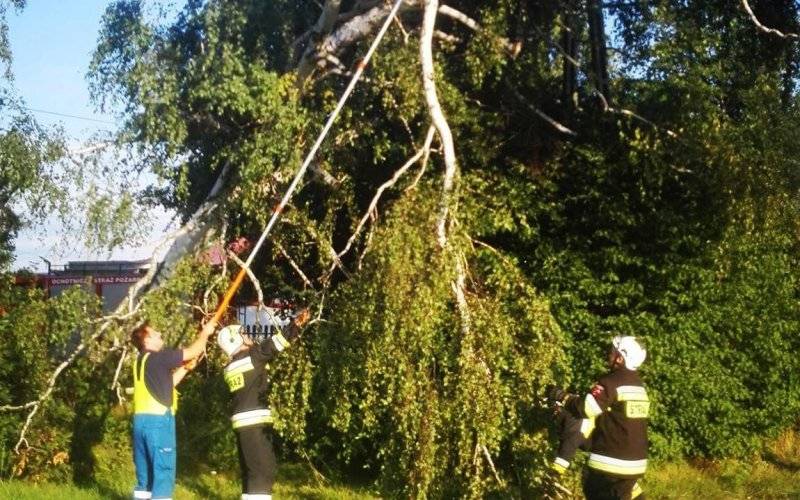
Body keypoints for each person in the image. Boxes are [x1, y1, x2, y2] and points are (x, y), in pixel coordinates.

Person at [217, 308, 311, 500]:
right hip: (254, 426)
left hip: (243, 426)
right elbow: (276, 344)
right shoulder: (252, 357)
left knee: (251, 474)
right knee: (262, 473)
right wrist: (296, 325)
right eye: (244, 333)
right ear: (236, 340)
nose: (248, 335)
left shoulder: (230, 368)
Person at [552, 336, 649, 500]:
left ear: (620, 358)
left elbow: (586, 408)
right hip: (635, 465)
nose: (608, 354)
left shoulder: (611, 382)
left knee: (594, 489)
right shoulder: (639, 385)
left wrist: (562, 397)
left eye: (612, 351)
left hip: (610, 464)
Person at [130, 318, 217, 500]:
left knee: (145, 479)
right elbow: (194, 350)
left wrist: (185, 369)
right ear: (146, 340)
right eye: (155, 333)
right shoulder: (158, 357)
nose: (160, 334)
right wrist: (205, 333)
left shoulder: (142, 361)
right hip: (158, 423)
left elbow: (167, 385)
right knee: (163, 473)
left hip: (140, 423)